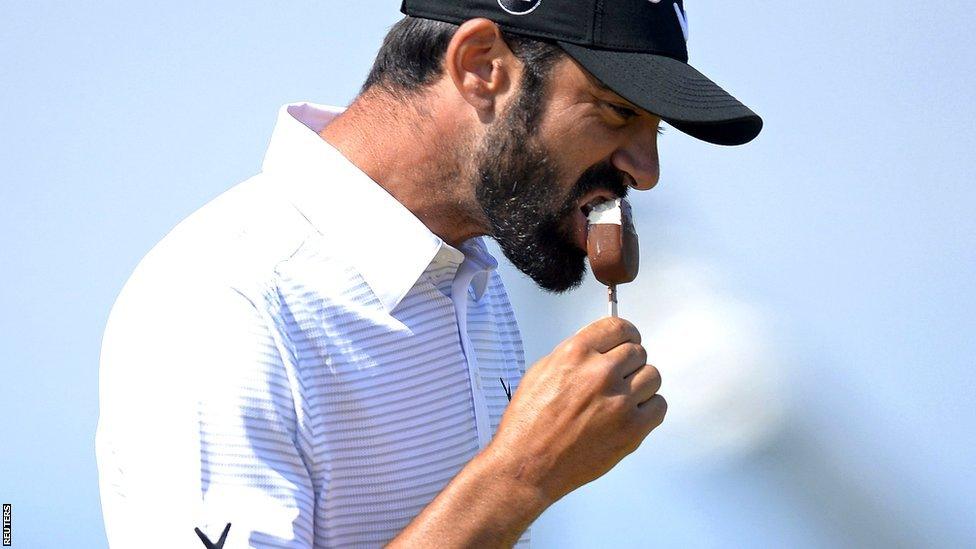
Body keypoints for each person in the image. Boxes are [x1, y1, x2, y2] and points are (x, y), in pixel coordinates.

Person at [95, 1, 762, 547]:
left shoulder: (467, 272)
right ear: (481, 68)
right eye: (617, 111)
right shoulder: (224, 304)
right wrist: (520, 477)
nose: (647, 169)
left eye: (656, 131)